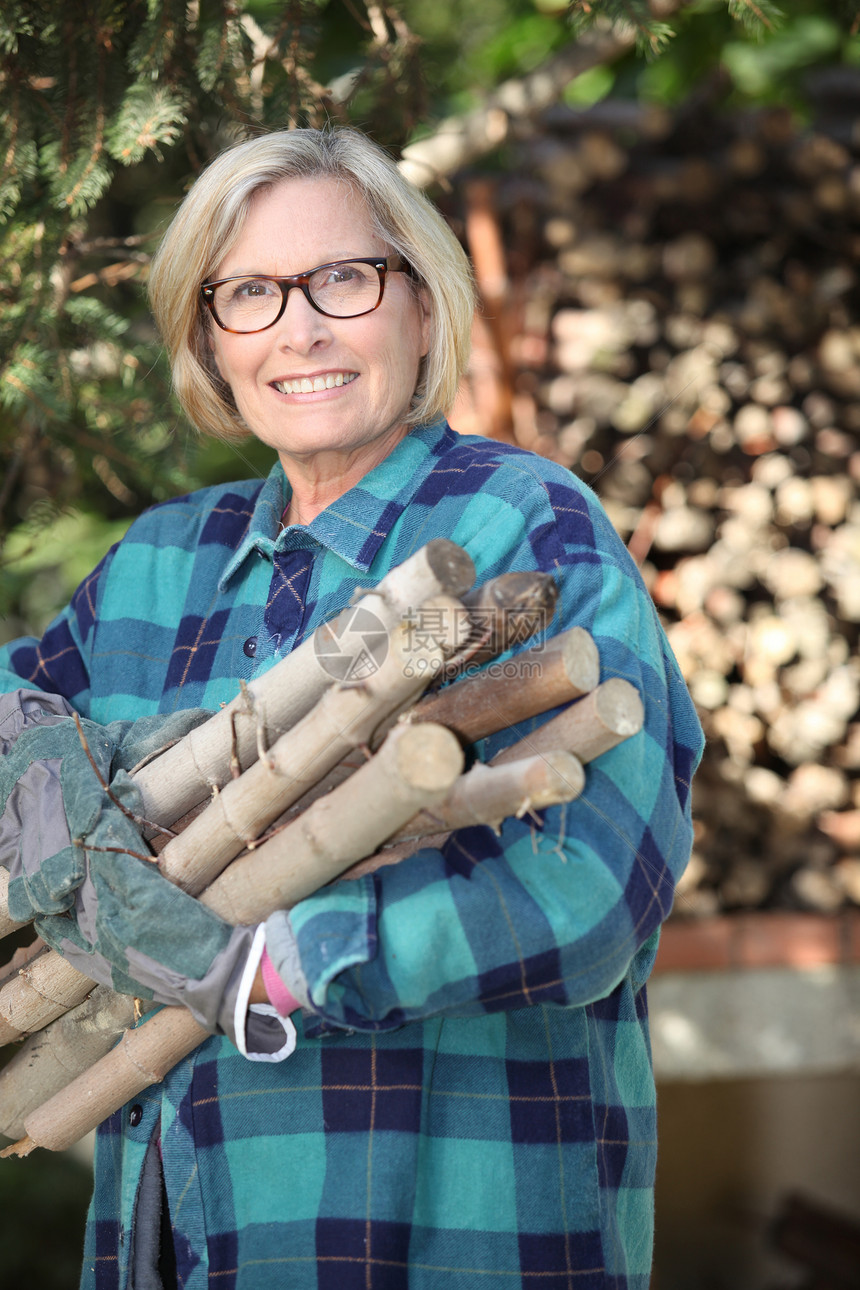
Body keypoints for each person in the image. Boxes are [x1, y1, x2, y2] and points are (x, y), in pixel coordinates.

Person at [0, 127, 703, 1290]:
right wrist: (35, 780)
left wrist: (269, 965)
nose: (300, 327)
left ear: (420, 308)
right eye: (249, 295)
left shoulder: (515, 528)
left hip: (443, 1250)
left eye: (343, 278)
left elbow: (592, 886)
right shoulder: (156, 566)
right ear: (208, 340)